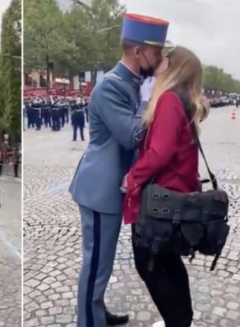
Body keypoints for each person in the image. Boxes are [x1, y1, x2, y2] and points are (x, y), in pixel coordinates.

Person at [68, 12, 169, 327]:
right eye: (156, 52)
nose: (160, 59)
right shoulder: (111, 86)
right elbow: (132, 134)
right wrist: (149, 96)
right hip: (100, 188)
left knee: (103, 262)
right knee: (96, 263)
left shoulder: (131, 82)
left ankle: (96, 310)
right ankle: (89, 319)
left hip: (112, 187)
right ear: (138, 51)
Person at [122, 45, 209, 327]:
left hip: (161, 200)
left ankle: (179, 321)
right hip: (175, 197)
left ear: (175, 66)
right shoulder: (183, 98)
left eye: (165, 56)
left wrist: (132, 177)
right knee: (168, 262)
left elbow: (160, 151)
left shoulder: (171, 99)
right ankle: (182, 319)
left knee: (150, 263)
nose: (160, 59)